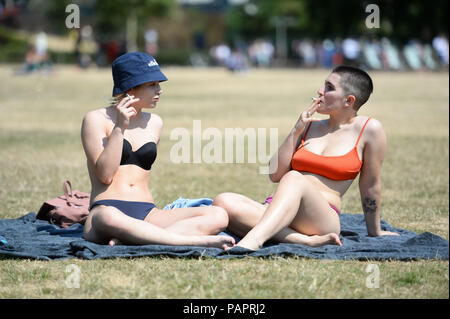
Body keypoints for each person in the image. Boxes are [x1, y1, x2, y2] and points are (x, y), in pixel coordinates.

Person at [214, 65, 399, 251]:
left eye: (329, 87)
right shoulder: (310, 126)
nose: (320, 91)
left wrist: (374, 231)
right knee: (223, 200)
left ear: (348, 100)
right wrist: (297, 129)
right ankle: (302, 240)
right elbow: (274, 174)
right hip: (278, 208)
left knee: (295, 178)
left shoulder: (369, 129)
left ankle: (253, 240)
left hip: (320, 219)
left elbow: (370, 184)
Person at [81, 52, 235, 249]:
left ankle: (134, 238)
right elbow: (105, 175)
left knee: (218, 215)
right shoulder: (95, 119)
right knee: (108, 218)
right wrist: (119, 127)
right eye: (152, 84)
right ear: (130, 88)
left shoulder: (155, 123)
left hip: (147, 213)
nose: (159, 90)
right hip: (107, 209)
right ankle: (195, 241)